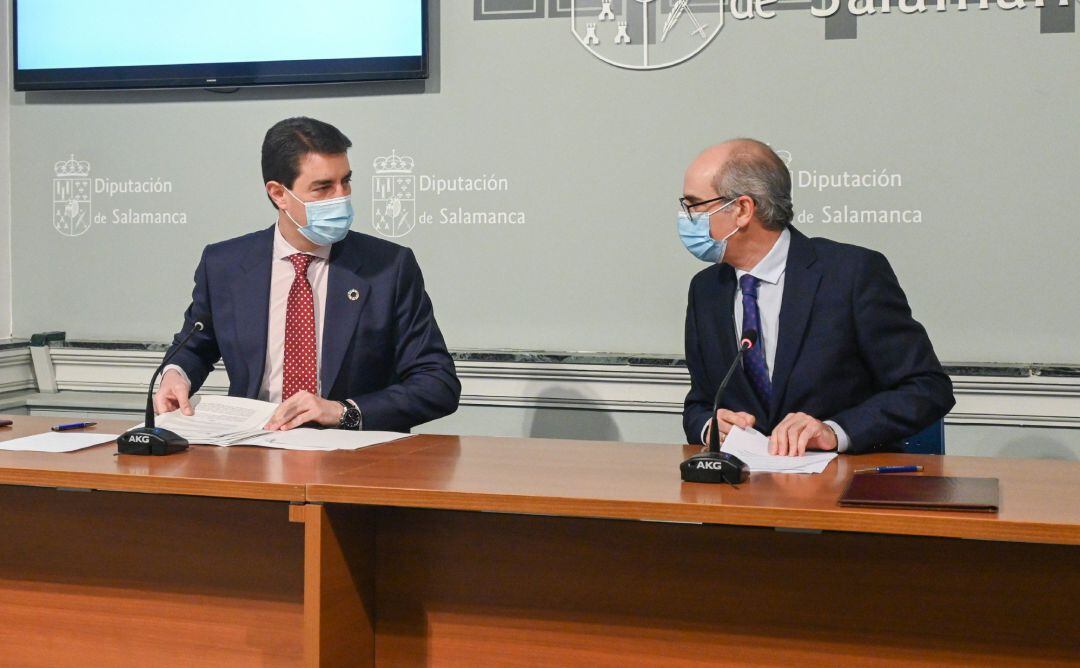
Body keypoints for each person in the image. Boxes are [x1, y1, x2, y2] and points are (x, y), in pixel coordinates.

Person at [154, 117, 460, 432]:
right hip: (251, 449)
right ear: (278, 193)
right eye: (323, 187)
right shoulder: (225, 265)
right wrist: (176, 373)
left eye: (346, 181)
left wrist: (344, 412)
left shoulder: (388, 267)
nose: (341, 196)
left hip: (352, 457)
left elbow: (438, 383)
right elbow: (195, 343)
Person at [679, 139, 954, 455]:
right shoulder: (706, 290)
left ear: (742, 209)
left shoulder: (851, 275)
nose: (687, 218)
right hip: (744, 489)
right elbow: (699, 403)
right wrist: (709, 425)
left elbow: (927, 388)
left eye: (695, 205)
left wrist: (835, 432)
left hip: (841, 487)